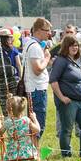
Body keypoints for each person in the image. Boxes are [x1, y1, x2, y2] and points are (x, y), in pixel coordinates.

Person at [49, 35, 81, 158]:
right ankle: (66, 154)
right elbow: (53, 81)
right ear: (65, 47)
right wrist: (62, 97)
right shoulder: (61, 61)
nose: (75, 47)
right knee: (67, 129)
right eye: (71, 45)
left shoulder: (74, 61)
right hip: (68, 102)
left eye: (76, 45)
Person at [22, 18, 54, 146]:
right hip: (37, 89)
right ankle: (34, 151)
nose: (49, 34)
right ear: (39, 30)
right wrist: (47, 58)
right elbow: (37, 69)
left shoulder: (29, 43)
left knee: (33, 122)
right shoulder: (34, 47)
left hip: (33, 88)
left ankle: (33, 149)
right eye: (47, 31)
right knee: (38, 123)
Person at [0, 95, 39, 161]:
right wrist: (34, 118)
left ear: (8, 111)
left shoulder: (7, 123)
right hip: (26, 152)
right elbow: (37, 130)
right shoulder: (26, 120)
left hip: (13, 153)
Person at [0, 28, 22, 116]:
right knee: (15, 100)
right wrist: (20, 77)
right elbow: (18, 64)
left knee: (4, 100)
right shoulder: (13, 49)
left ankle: (6, 116)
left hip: (3, 79)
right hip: (14, 78)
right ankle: (17, 117)